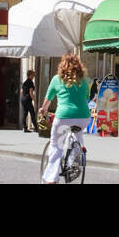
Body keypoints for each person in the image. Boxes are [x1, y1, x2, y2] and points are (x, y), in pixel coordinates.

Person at [39, 52, 92, 184]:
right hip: (83, 118)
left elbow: (48, 99)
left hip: (64, 117)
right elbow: (86, 98)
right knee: (78, 137)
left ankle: (51, 178)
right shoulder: (85, 80)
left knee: (56, 146)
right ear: (79, 66)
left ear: (62, 65)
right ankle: (73, 162)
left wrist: (43, 110)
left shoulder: (57, 79)